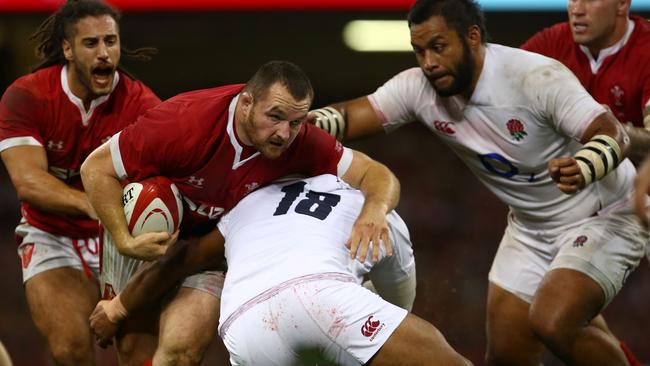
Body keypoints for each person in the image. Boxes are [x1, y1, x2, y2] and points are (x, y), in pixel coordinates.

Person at [311, 0, 648, 364]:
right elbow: (349, 116)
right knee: (506, 356)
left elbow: (612, 131)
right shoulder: (418, 89)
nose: (428, 62)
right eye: (420, 51)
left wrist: (588, 162)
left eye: (439, 47)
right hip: (530, 229)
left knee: (553, 321)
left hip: (604, 212)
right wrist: (301, 126)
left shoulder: (533, 76)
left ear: (473, 37)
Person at [80, 60, 401, 365]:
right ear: (246, 102)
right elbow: (95, 168)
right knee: (133, 350)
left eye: (295, 122)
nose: (283, 134)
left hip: (207, 249)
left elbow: (375, 174)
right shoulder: (183, 123)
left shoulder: (299, 141)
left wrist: (374, 211)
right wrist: (124, 240)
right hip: (148, 233)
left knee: (181, 352)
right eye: (274, 117)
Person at [89, 174, 470, 365]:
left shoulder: (249, 202)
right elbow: (399, 292)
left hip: (244, 328)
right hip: (320, 298)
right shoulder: (371, 209)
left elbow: (180, 260)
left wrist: (118, 308)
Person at [0, 1, 160, 365]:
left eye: (111, 41)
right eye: (91, 43)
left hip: (122, 241)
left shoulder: (142, 105)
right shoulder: (27, 96)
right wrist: (96, 203)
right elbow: (28, 182)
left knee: (139, 352)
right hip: (51, 233)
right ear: (68, 49)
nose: (104, 53)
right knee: (70, 350)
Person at [521, 0, 650, 130]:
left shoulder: (645, 48)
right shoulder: (551, 42)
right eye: (573, 0)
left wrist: (609, 133)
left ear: (622, 4)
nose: (577, 10)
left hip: (627, 151)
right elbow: (503, 80)